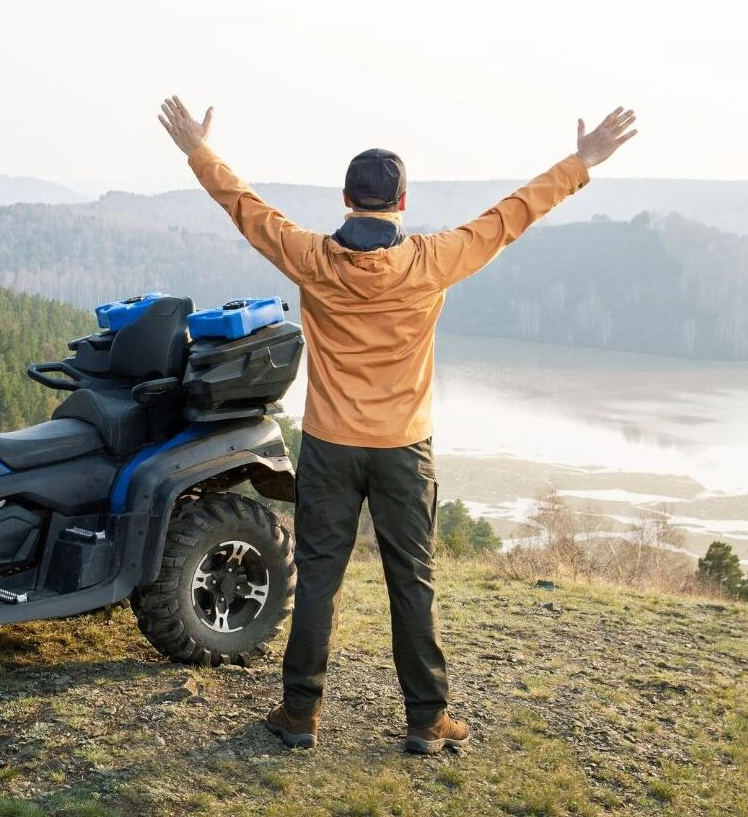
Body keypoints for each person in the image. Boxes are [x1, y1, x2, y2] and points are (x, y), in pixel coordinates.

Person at [157, 96, 637, 752]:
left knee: (319, 577)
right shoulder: (432, 259)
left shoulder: (310, 256)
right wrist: (582, 161)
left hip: (328, 444)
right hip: (404, 449)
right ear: (401, 202)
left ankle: (299, 715)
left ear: (345, 197)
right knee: (411, 580)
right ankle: (425, 720)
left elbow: (246, 209)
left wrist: (198, 149)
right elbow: (511, 216)